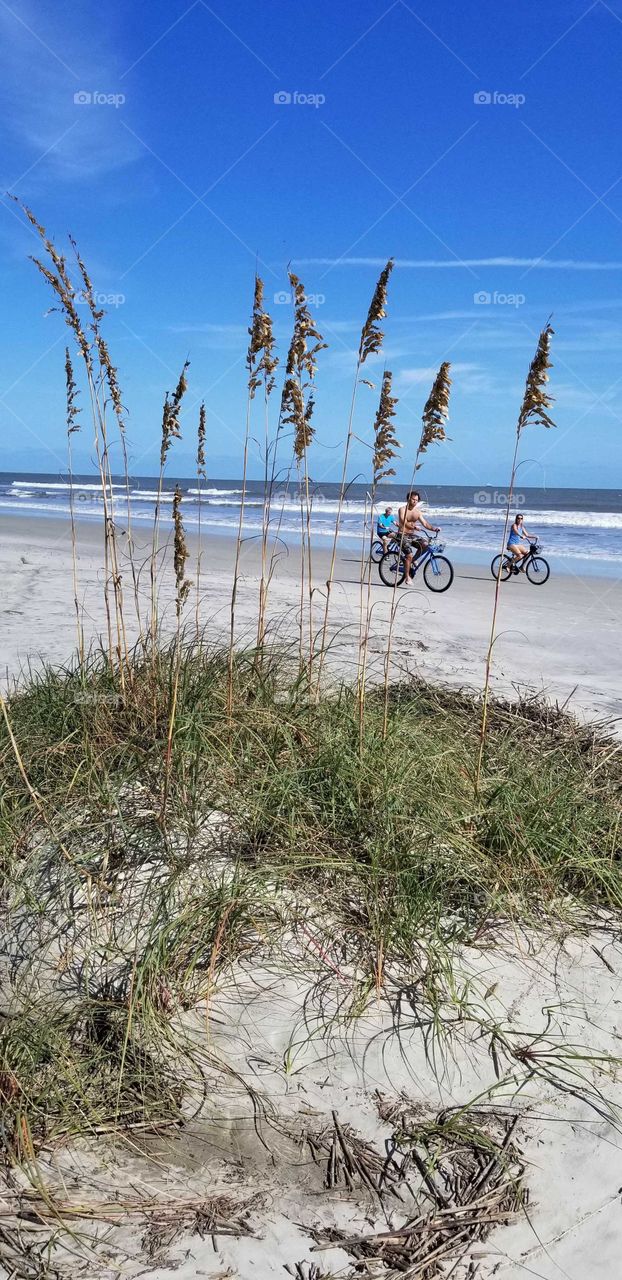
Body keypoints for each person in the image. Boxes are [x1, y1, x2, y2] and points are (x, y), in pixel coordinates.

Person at [397, 490, 440, 585]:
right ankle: (407, 577)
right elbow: (403, 521)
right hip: (402, 535)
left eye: (416, 500)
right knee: (409, 555)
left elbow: (425, 523)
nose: (414, 501)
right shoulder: (402, 509)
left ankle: (412, 561)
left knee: (426, 544)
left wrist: (434, 528)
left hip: (412, 535)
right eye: (413, 499)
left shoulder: (417, 512)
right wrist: (413, 527)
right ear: (408, 499)